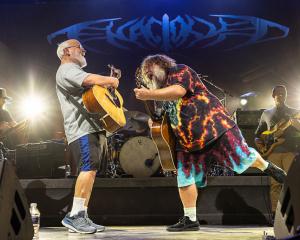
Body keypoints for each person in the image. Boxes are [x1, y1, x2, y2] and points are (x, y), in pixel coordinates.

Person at [134, 54, 287, 232]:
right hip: (188, 141)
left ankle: (269, 168)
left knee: (241, 158)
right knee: (184, 177)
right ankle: (190, 219)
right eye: (147, 75)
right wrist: (154, 121)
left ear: (159, 65)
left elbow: (179, 91)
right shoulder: (160, 94)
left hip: (214, 127)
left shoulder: (179, 70)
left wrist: (149, 94)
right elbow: (165, 116)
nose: (149, 76)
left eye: (149, 71)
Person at [56, 39, 119, 234]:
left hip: (89, 128)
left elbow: (93, 95)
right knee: (87, 170)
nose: (83, 50)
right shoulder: (67, 70)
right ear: (67, 51)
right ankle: (74, 216)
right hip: (81, 129)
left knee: (90, 171)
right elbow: (89, 80)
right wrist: (109, 80)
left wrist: (108, 87)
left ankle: (81, 215)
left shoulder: (75, 71)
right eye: (79, 47)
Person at [255, 85, 300, 213]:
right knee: (275, 185)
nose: (281, 95)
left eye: (283, 93)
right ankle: (276, 214)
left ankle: (294, 213)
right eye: (278, 93)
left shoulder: (294, 112)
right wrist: (260, 145)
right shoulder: (266, 113)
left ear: (286, 95)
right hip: (273, 152)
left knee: (292, 183)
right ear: (273, 95)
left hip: (290, 152)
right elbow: (258, 135)